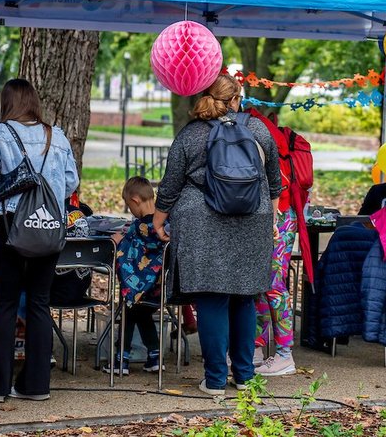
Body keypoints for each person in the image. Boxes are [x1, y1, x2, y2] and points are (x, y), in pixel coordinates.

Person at [153, 74, 281, 396]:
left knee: (211, 298)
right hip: (254, 218)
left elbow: (170, 185)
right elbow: (274, 181)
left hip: (202, 221)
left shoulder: (191, 134)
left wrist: (158, 220)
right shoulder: (258, 129)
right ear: (237, 98)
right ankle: (245, 376)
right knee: (244, 297)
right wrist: (271, 217)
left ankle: (214, 381)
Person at [0, 78, 78, 403]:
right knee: (39, 303)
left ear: (7, 103)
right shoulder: (57, 136)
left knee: (7, 304)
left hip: (11, 229)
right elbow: (70, 182)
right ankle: (36, 385)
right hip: (49, 229)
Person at [245, 109, 298, 377]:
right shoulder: (256, 128)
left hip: (280, 217)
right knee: (261, 285)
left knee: (274, 286)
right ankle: (257, 346)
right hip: (272, 216)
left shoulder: (255, 131)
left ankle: (285, 354)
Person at [108, 176, 166, 375]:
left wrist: (114, 242)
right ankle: (154, 356)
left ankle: (120, 359)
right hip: (160, 286)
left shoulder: (137, 228)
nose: (129, 210)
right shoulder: (163, 226)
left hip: (138, 284)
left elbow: (125, 255)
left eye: (127, 205)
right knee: (141, 311)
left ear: (135, 200)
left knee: (130, 306)